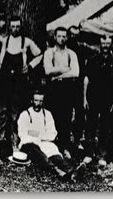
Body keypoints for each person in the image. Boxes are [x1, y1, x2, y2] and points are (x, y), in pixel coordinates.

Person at [0, 16, 42, 155]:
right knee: (1, 113)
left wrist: (30, 66)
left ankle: (15, 143)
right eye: (13, 26)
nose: (15, 29)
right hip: (4, 81)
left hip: (19, 83)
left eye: (17, 26)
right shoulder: (4, 40)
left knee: (15, 115)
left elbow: (39, 54)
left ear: (21, 27)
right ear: (9, 27)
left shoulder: (26, 42)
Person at [83, 35, 113, 166]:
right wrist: (84, 98)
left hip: (108, 99)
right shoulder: (93, 60)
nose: (105, 46)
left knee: (105, 127)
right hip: (93, 98)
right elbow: (86, 79)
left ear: (111, 44)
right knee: (90, 126)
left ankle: (102, 155)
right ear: (100, 44)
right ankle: (89, 153)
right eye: (103, 43)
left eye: (108, 43)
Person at [18, 90, 75, 179]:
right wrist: (40, 137)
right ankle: (56, 170)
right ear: (31, 101)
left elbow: (52, 134)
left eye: (41, 101)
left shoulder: (47, 114)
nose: (38, 104)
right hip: (29, 145)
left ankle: (71, 171)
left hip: (44, 143)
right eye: (36, 100)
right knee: (38, 152)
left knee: (54, 153)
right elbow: (23, 134)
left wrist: (35, 134)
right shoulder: (25, 114)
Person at [43, 26, 79, 157]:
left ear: (67, 38)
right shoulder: (49, 53)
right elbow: (47, 71)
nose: (62, 39)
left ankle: (65, 148)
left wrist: (57, 74)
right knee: (51, 118)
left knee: (66, 119)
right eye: (59, 36)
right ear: (54, 37)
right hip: (53, 90)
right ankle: (52, 149)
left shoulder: (71, 54)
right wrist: (65, 69)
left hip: (67, 90)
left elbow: (75, 72)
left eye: (64, 36)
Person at [67, 25, 95, 150]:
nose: (74, 37)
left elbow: (96, 52)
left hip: (79, 85)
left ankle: (77, 139)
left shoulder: (82, 48)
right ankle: (65, 140)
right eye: (71, 35)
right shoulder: (64, 48)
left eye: (76, 35)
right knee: (65, 113)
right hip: (66, 84)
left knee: (79, 114)